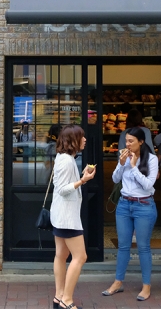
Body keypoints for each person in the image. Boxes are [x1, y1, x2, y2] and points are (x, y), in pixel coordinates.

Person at [103, 127, 158, 302]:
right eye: (126, 141)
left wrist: (134, 167)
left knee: (143, 247)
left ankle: (146, 286)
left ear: (141, 142)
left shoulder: (152, 159)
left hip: (144, 205)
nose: (127, 144)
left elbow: (149, 185)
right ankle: (118, 282)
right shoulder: (125, 157)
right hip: (124, 204)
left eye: (131, 141)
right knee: (123, 246)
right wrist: (121, 163)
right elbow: (115, 179)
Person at [50, 124, 95, 309]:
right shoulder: (67, 161)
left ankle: (58, 297)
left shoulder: (63, 158)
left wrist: (80, 177)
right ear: (73, 140)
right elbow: (62, 189)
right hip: (67, 218)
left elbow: (60, 185)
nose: (85, 140)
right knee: (80, 256)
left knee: (61, 255)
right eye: (81, 137)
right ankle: (66, 300)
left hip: (60, 215)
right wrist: (82, 181)